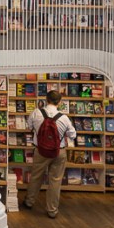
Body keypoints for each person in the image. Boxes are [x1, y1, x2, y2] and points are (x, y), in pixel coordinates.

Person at [23, 89, 76, 218]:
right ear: (60, 102)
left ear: (46, 100)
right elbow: (72, 135)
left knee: (36, 176)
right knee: (55, 181)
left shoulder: (37, 113)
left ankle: (29, 202)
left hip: (40, 150)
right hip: (59, 152)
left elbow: (28, 126)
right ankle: (52, 210)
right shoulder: (64, 118)